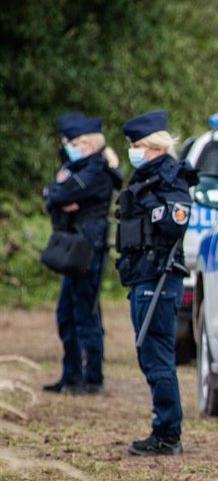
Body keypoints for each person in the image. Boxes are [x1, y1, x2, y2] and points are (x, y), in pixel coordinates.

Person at [115, 111, 196, 457]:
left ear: (151, 147)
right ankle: (164, 428)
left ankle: (167, 434)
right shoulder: (146, 177)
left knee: (157, 355)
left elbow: (177, 219)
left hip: (160, 277)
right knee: (150, 355)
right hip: (144, 276)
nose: (132, 152)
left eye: (136, 146)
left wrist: (149, 209)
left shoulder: (169, 178)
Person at [42, 113, 122, 395]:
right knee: (67, 313)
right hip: (75, 247)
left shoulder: (97, 170)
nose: (68, 147)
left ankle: (92, 378)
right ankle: (71, 375)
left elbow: (61, 194)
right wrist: (57, 195)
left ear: (87, 143)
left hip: (88, 249)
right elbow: (53, 195)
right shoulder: (77, 167)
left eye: (72, 142)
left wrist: (59, 196)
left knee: (85, 313)